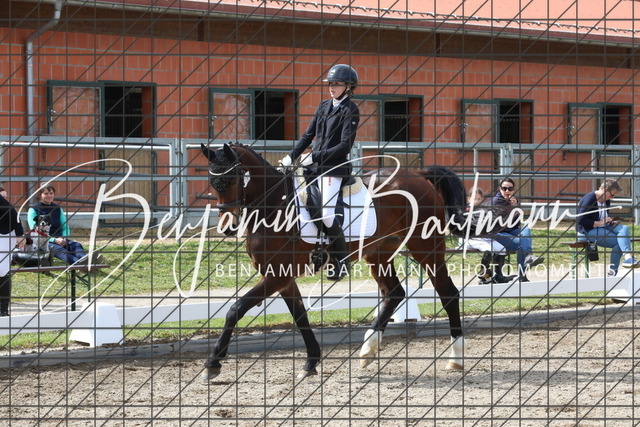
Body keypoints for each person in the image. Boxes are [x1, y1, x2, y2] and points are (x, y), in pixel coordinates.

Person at [279, 64, 360, 281]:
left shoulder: (350, 110)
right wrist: (291, 156)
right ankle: (317, 251)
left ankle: (342, 260)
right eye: (330, 84)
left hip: (334, 169)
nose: (332, 88)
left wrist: (315, 156)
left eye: (337, 84)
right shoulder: (324, 105)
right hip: (313, 169)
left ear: (348, 86)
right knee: (303, 205)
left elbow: (344, 145)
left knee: (326, 213)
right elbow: (308, 136)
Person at [576, 178, 639, 276]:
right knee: (619, 242)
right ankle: (613, 271)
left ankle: (628, 258)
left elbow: (602, 217)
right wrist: (600, 222)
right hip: (587, 231)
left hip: (602, 226)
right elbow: (581, 220)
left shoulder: (606, 200)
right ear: (605, 190)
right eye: (612, 194)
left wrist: (609, 221)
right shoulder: (590, 199)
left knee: (625, 228)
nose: (612, 197)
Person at [491, 178, 544, 282]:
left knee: (526, 229)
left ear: (513, 190)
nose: (507, 191)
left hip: (511, 231)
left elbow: (516, 222)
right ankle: (523, 274)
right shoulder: (495, 202)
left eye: (510, 189)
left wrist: (515, 207)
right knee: (522, 243)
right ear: (500, 189)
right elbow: (499, 223)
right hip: (498, 233)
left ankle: (528, 258)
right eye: (504, 188)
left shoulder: (514, 201)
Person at [27, 185, 90, 265]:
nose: (49, 196)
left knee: (76, 245)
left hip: (60, 238)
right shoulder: (33, 210)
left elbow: (65, 227)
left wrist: (63, 238)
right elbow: (36, 230)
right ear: (40, 195)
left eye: (51, 193)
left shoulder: (57, 208)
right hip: (44, 241)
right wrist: (54, 240)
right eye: (46, 193)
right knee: (59, 249)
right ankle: (79, 264)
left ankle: (86, 260)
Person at [463, 187, 514, 284]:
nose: (476, 201)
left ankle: (498, 276)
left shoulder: (485, 210)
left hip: (484, 238)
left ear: (482, 199)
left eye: (479, 199)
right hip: (471, 238)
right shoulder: (466, 210)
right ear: (469, 199)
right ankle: (483, 275)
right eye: (474, 199)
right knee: (489, 250)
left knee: (502, 249)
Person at [0, 186, 25, 316]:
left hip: (6, 231)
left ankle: (3, 309)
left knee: (2, 269)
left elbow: (13, 212)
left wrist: (20, 235)